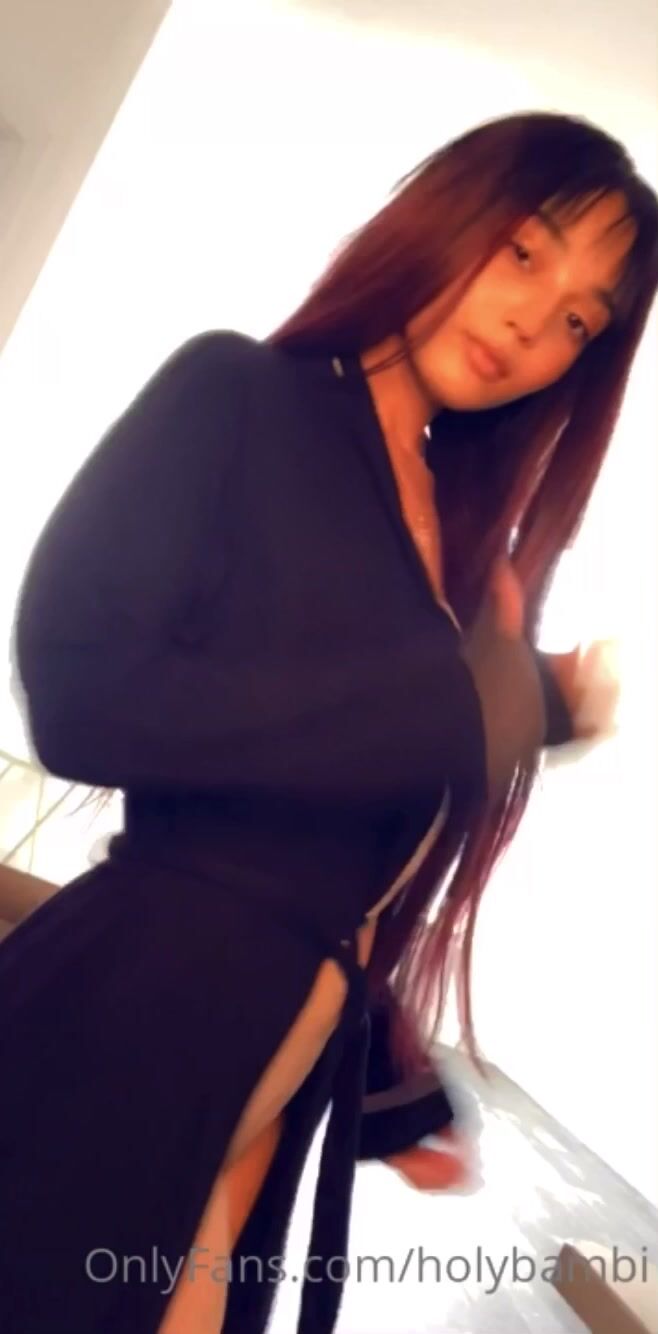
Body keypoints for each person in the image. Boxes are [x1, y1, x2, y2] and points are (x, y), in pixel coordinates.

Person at [1, 110, 656, 1334]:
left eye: (581, 319)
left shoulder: (457, 543)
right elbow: (84, 697)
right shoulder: (238, 394)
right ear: (442, 212)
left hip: (263, 1088)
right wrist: (488, 703)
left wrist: (391, 1092)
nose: (535, 320)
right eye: (524, 251)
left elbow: (343, 849)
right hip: (126, 1022)